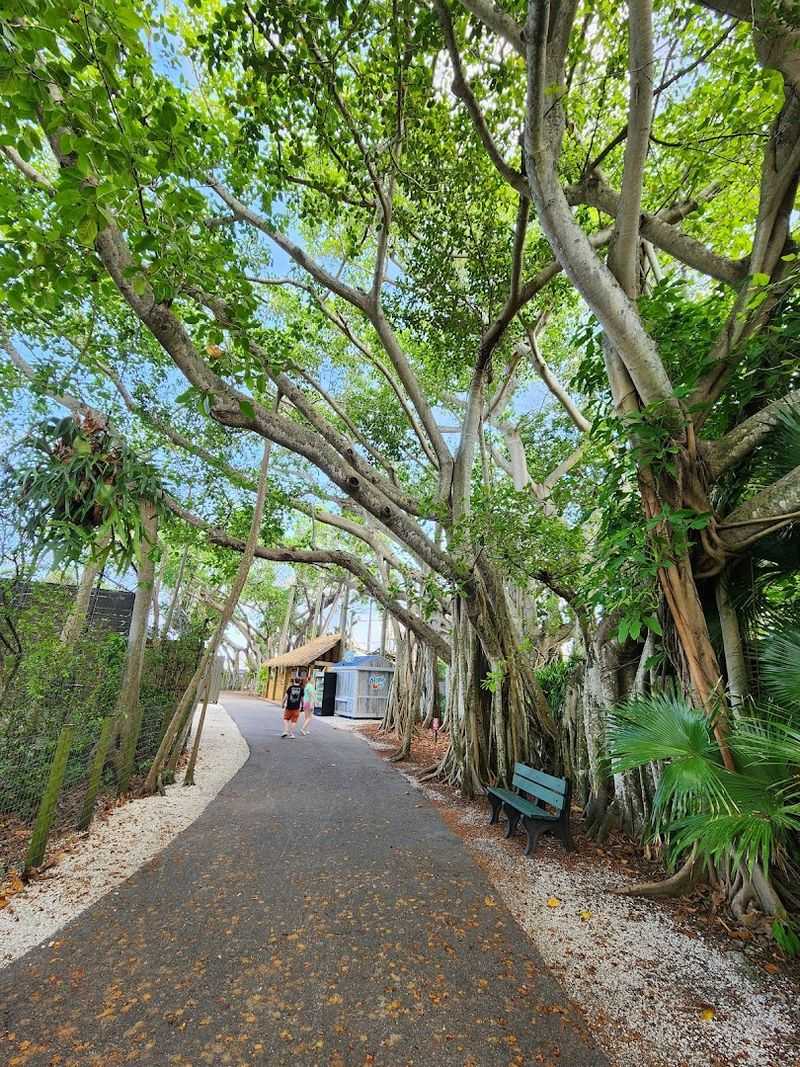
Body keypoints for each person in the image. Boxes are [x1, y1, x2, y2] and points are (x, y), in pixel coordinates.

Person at [281, 674, 304, 738]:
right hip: (296, 708)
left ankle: (286, 731)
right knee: (294, 721)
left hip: (289, 707)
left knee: (286, 719)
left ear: (294, 681)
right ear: (299, 682)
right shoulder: (301, 689)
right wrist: (302, 707)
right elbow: (302, 699)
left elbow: (286, 697)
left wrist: (283, 703)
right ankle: (291, 734)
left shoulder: (290, 688)